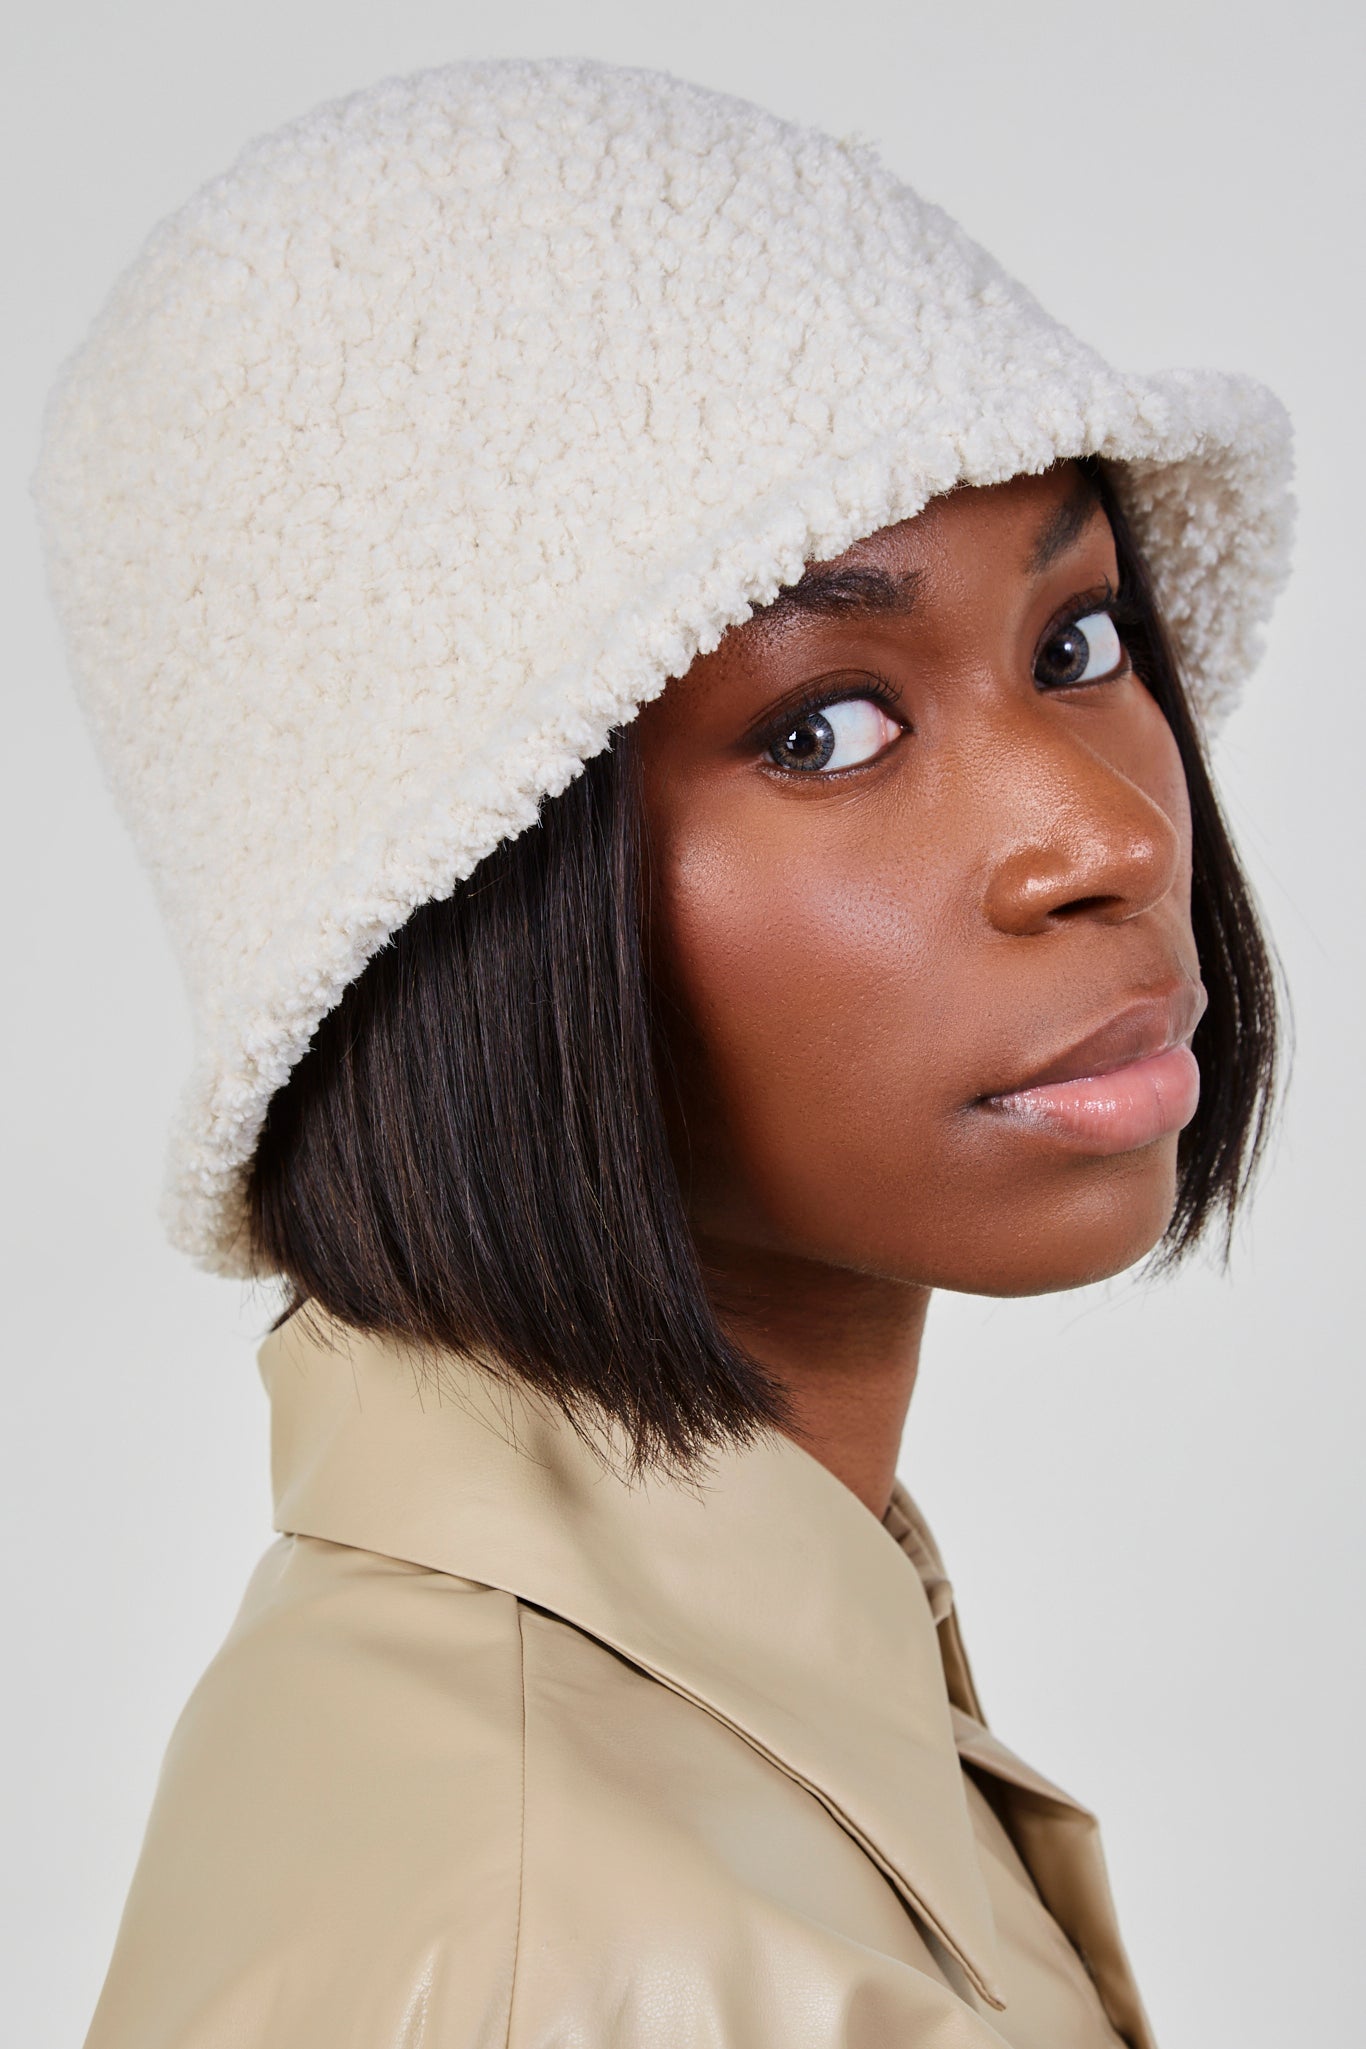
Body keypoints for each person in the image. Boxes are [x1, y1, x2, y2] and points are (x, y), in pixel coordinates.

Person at [35, 56, 1292, 2049]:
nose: (1115, 834)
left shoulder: (693, 1735)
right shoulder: (555, 1944)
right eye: (823, 727)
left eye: (1073, 640)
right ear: (455, 918)